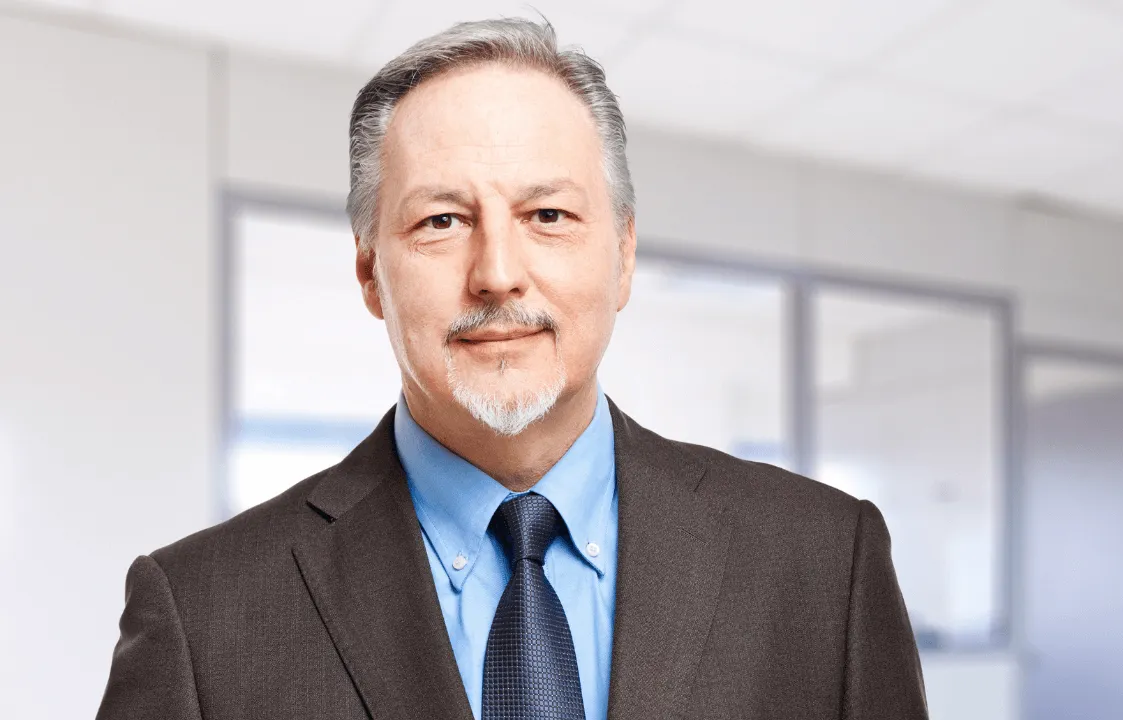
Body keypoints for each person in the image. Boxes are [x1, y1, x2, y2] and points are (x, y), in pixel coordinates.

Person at [97, 17, 928, 720]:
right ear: (368, 273)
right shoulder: (202, 614)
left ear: (625, 256)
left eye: (549, 214)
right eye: (443, 220)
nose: (497, 271)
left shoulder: (823, 564)